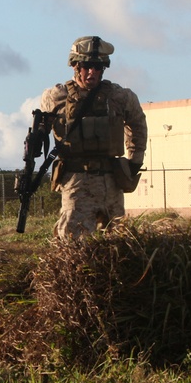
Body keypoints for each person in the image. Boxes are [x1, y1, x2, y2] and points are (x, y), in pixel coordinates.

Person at [39, 36, 147, 238]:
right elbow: (41, 131)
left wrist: (134, 161)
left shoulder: (120, 97)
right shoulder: (56, 97)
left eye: (98, 67)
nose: (92, 72)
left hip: (111, 181)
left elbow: (138, 124)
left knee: (118, 241)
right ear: (75, 66)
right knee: (72, 241)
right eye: (86, 66)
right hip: (76, 182)